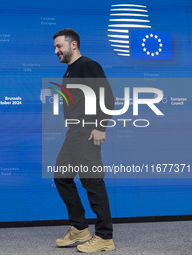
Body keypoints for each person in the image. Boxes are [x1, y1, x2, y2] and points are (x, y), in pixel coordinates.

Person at [52, 28, 115, 253]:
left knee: (92, 182)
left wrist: (100, 127)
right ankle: (79, 228)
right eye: (55, 48)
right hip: (74, 134)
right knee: (61, 176)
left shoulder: (88, 65)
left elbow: (107, 97)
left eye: (59, 46)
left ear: (73, 45)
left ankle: (105, 236)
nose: (56, 51)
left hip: (88, 132)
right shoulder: (70, 71)